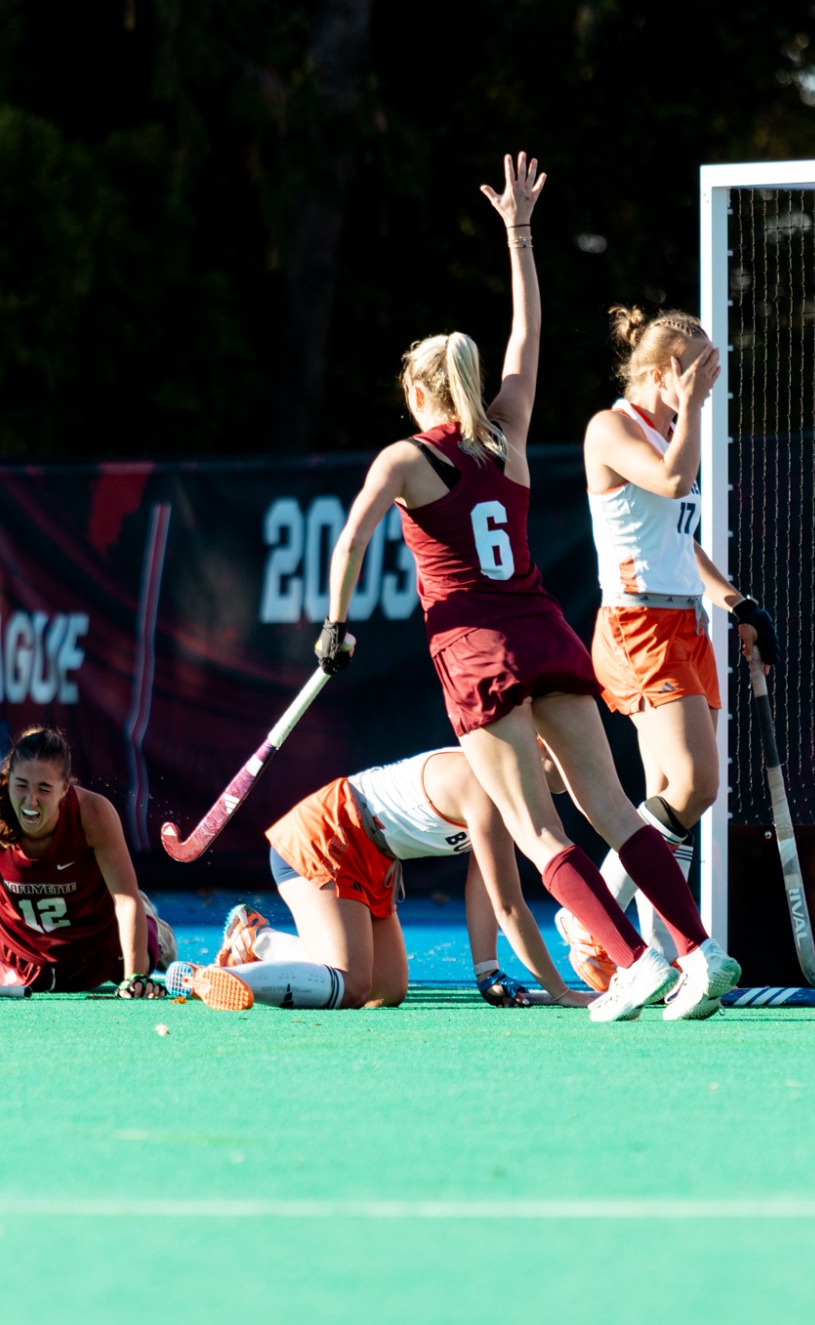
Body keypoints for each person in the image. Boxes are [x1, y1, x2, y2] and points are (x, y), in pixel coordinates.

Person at [311, 152, 741, 1021]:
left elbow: (352, 533)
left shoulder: (409, 456)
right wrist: (519, 232)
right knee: (617, 809)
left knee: (538, 829)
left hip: (477, 646)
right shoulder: (506, 431)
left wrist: (334, 621)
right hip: (548, 628)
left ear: (421, 391)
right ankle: (696, 953)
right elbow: (528, 334)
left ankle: (628, 963)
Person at [560, 305, 781, 990]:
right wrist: (689, 413)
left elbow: (682, 536)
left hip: (686, 624)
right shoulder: (611, 429)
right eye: (695, 375)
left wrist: (735, 600)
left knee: (670, 799)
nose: (706, 389)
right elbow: (672, 483)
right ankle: (587, 911)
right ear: (660, 375)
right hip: (636, 626)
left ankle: (675, 958)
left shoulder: (672, 433)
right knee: (694, 784)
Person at [173, 745, 590, 1011]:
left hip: (375, 856)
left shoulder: (507, 793)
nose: (580, 763)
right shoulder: (484, 786)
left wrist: (487, 971)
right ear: (534, 745)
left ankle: (257, 940)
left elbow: (484, 888)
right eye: (569, 748)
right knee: (353, 986)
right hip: (328, 832)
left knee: (385, 990)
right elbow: (510, 905)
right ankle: (221, 979)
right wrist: (562, 992)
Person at [0, 726, 175, 995]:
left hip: (100, 945)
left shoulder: (95, 814)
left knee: (135, 951)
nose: (30, 802)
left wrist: (135, 977)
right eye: (21, 785)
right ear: (8, 779)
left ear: (65, 789)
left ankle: (155, 930)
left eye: (44, 788)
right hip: (26, 959)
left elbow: (125, 900)